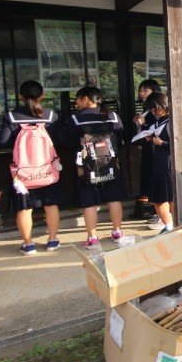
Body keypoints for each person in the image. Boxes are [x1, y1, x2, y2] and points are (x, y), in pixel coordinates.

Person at [0, 80, 67, 255]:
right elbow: (62, 139)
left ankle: (28, 244)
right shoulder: (51, 116)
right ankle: (52, 240)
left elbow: (2, 141)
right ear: (42, 96)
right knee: (51, 205)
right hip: (47, 169)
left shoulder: (11, 117)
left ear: (20, 96)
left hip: (23, 171)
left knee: (24, 208)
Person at [70, 86, 129, 249]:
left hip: (86, 167)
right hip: (110, 163)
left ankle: (92, 237)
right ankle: (117, 232)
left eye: (78, 98)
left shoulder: (76, 119)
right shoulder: (113, 116)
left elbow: (69, 141)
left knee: (89, 202)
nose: (76, 102)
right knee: (114, 198)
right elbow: (121, 137)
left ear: (86, 99)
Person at [140, 92, 174, 234]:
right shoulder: (159, 121)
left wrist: (161, 143)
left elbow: (178, 144)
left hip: (167, 163)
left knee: (162, 198)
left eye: (155, 108)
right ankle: (169, 224)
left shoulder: (171, 121)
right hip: (158, 161)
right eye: (152, 109)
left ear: (163, 105)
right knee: (161, 198)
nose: (154, 112)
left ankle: (169, 225)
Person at [133, 79, 162, 229]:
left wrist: (143, 123)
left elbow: (157, 130)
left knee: (157, 182)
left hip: (156, 151)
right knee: (151, 181)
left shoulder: (157, 109)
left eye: (146, 90)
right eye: (140, 90)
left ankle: (163, 216)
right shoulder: (147, 109)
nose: (142, 93)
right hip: (148, 151)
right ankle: (158, 214)